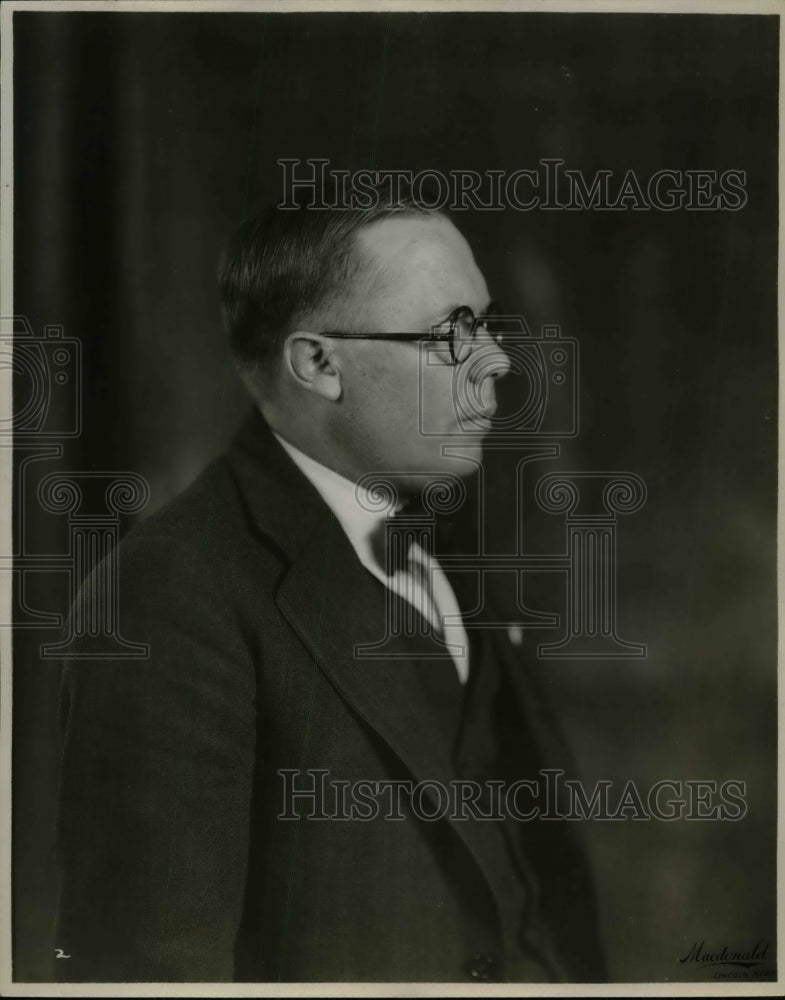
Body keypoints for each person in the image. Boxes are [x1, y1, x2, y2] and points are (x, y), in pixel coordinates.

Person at [54, 187, 605, 983]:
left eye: (484, 322)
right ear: (318, 364)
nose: (498, 360)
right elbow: (149, 969)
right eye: (451, 332)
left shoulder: (450, 523)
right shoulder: (168, 594)